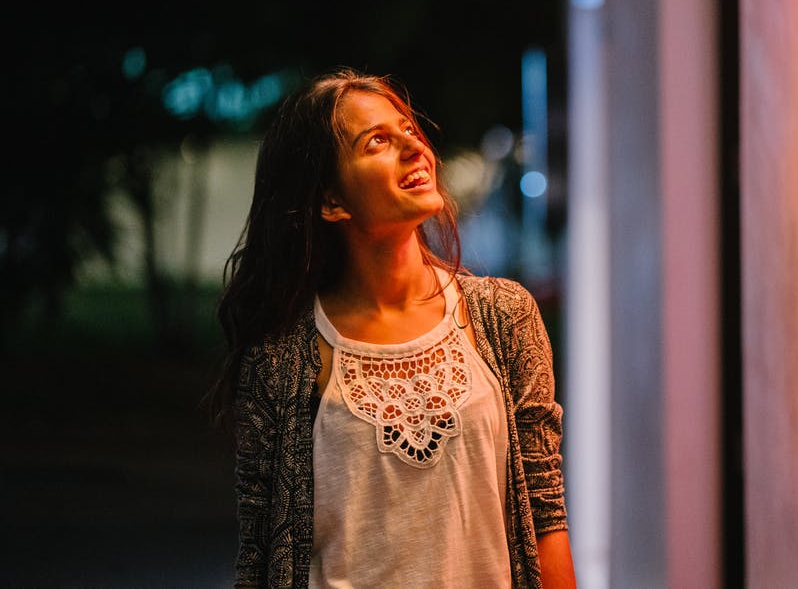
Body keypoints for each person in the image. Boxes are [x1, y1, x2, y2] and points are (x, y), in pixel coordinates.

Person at [208, 67, 576, 588]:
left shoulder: (503, 316)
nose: (412, 148)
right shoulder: (282, 356)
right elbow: (260, 556)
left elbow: (545, 514)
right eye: (376, 141)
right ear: (331, 202)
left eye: (408, 130)